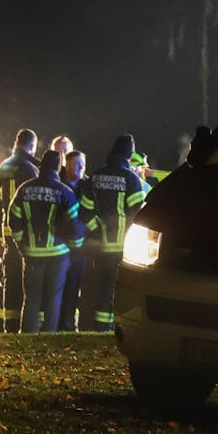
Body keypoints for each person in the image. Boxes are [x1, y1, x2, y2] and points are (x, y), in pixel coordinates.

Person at [79, 134, 149, 332]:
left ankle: (92, 328)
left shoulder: (96, 176)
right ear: (128, 154)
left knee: (96, 289)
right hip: (121, 247)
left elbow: (85, 212)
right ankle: (108, 331)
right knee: (114, 291)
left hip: (97, 247)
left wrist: (97, 231)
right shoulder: (131, 179)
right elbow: (138, 215)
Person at [10, 149, 80, 333]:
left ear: (41, 165)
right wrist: (75, 248)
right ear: (58, 167)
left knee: (31, 298)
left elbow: (14, 220)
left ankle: (27, 337)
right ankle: (49, 337)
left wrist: (21, 246)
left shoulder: (24, 189)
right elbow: (74, 226)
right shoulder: (65, 192)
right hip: (58, 255)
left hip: (32, 253)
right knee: (53, 299)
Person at [0, 128, 39, 332]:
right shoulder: (30, 169)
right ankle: (21, 326)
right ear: (32, 146)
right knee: (24, 281)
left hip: (6, 232)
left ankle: (8, 326)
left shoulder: (3, 167)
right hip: (24, 233)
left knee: (9, 280)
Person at [56, 149, 87, 331]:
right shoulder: (58, 186)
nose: (81, 167)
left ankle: (68, 323)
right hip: (61, 246)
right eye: (77, 163)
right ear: (67, 165)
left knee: (74, 287)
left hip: (80, 248)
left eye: (83, 164)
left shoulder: (87, 186)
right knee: (59, 287)